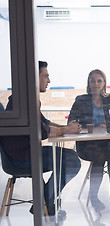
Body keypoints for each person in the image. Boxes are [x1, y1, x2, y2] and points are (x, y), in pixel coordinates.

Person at [0, 61, 82, 215]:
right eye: (46, 76)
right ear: (33, 78)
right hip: (21, 158)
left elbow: (45, 122)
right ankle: (44, 203)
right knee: (72, 161)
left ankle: (45, 202)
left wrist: (67, 128)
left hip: (26, 153)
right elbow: (42, 131)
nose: (49, 80)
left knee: (70, 158)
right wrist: (66, 130)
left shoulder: (26, 97)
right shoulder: (23, 100)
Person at [68, 69, 110, 212]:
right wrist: (84, 126)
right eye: (92, 80)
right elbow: (71, 121)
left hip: (108, 140)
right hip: (88, 143)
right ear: (88, 83)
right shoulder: (81, 100)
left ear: (104, 83)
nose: (95, 83)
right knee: (100, 155)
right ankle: (94, 197)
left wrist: (109, 124)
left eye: (99, 80)